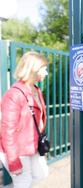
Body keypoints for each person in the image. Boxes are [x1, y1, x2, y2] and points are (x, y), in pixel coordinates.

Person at [0, 51, 49, 187]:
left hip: (31, 144)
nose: (46, 73)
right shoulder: (14, 94)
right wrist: (13, 160)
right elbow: (7, 131)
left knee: (41, 173)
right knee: (23, 181)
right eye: (44, 69)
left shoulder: (36, 89)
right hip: (17, 148)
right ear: (33, 69)